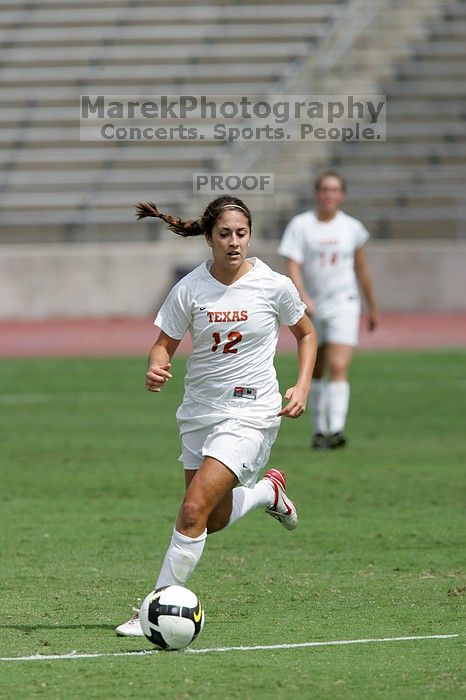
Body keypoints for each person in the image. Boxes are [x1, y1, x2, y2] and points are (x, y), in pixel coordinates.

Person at [116, 195, 317, 636]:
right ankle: (268, 494)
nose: (233, 242)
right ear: (208, 238)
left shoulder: (273, 285)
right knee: (214, 518)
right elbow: (163, 343)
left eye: (241, 233)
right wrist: (155, 366)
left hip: (251, 413)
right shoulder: (189, 288)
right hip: (199, 413)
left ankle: (152, 609)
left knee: (192, 512)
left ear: (250, 236)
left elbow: (306, 333)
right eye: (224, 234)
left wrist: (301, 385)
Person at [278, 171, 378, 450]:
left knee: (338, 366)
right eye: (324, 189)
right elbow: (292, 264)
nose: (328, 195)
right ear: (316, 193)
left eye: (334, 190)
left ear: (342, 194)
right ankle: (319, 430)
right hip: (312, 306)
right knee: (317, 369)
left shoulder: (352, 228)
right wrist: (302, 296)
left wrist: (372, 307)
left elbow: (362, 268)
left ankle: (337, 429)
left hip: (344, 303)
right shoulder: (301, 225)